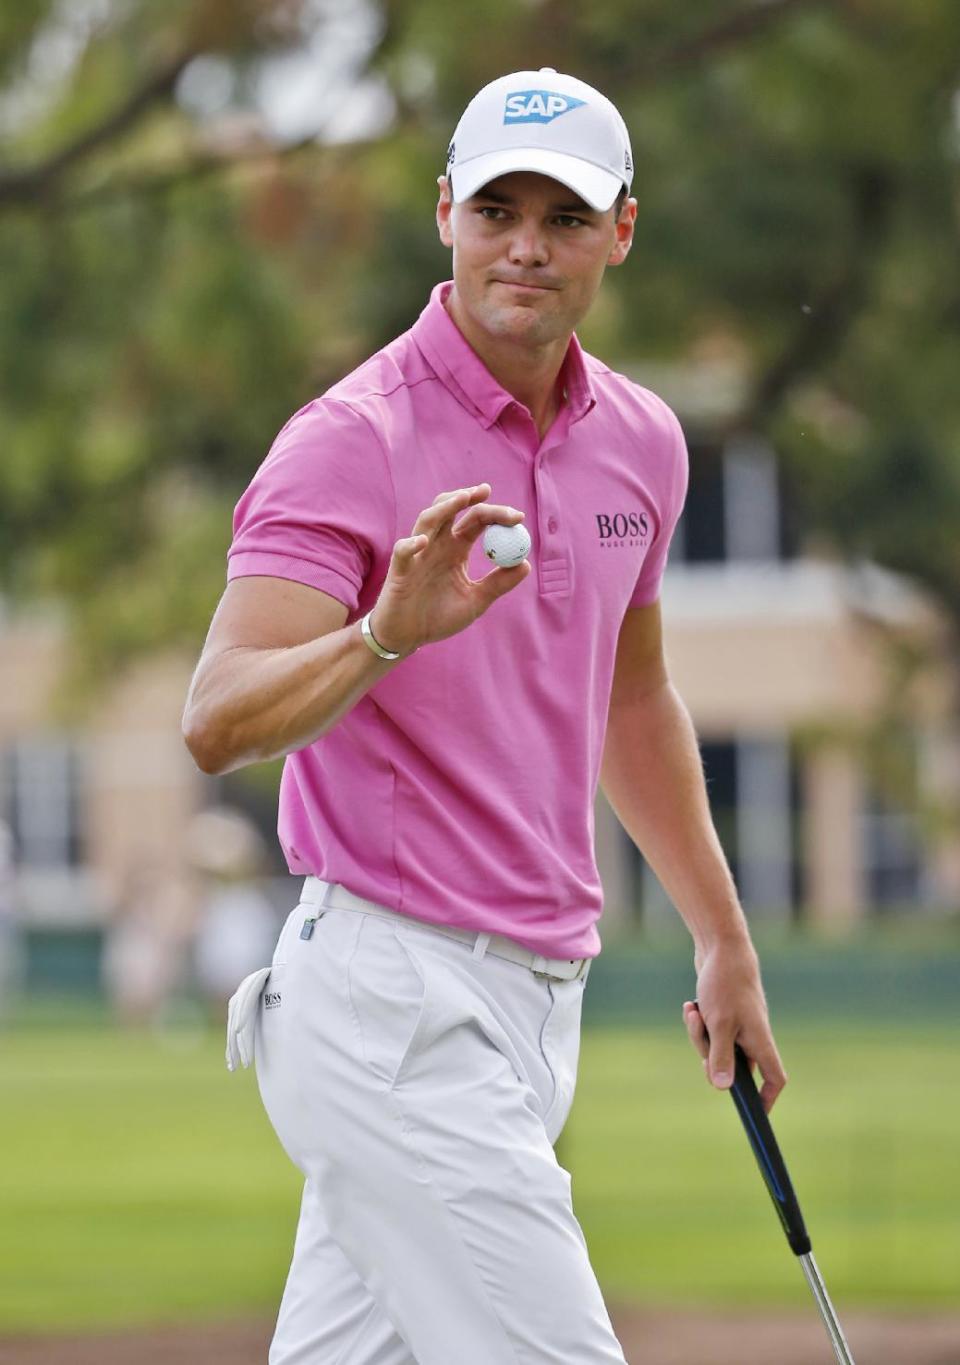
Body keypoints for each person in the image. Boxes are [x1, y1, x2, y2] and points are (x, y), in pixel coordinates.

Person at [183, 67, 786, 1365]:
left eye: (564, 217)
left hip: (532, 1007)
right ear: (444, 210)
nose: (526, 245)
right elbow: (216, 718)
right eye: (497, 208)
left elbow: (632, 697)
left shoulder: (645, 443)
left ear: (620, 231)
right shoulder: (351, 437)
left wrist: (722, 938)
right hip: (388, 1005)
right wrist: (384, 631)